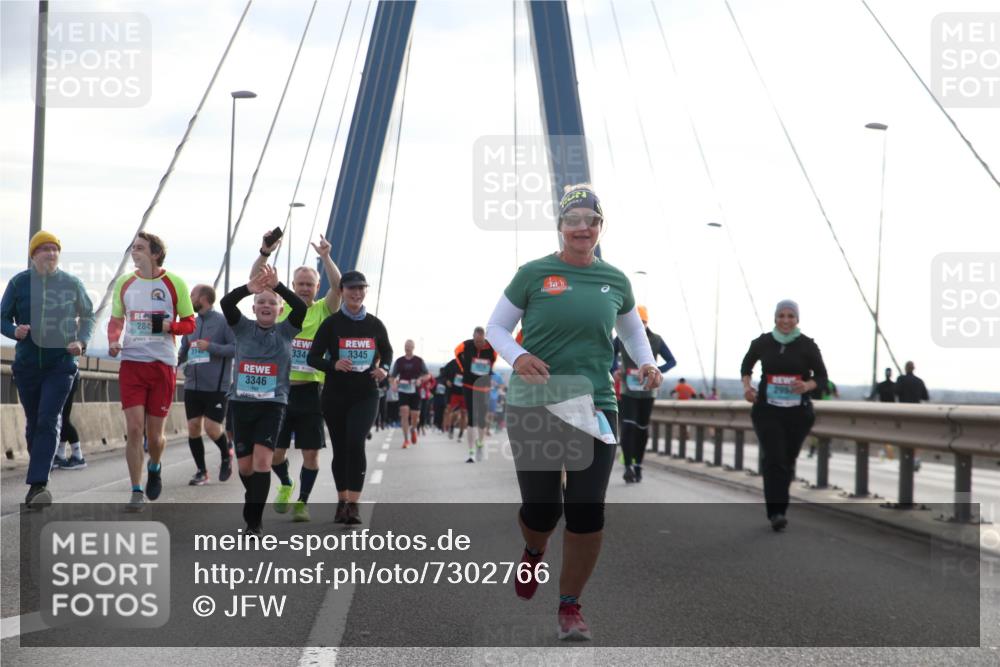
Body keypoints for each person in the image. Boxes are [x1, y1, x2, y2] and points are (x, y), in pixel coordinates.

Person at [486, 183, 660, 641]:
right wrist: (519, 357)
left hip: (595, 404)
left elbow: (632, 332)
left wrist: (647, 363)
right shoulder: (533, 274)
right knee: (543, 511)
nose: (582, 227)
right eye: (573, 220)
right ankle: (533, 549)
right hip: (535, 404)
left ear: (601, 227)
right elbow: (497, 327)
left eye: (591, 220)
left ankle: (570, 605)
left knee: (587, 510)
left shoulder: (615, 280)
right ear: (561, 226)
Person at [250, 233, 341, 522]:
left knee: (311, 454)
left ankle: (303, 501)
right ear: (292, 285)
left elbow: (339, 287)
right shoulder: (281, 307)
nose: (304, 288)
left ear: (317, 287)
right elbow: (255, 282)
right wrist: (265, 252)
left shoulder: (323, 309)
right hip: (280, 391)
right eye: (300, 284)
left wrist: (326, 257)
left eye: (309, 284)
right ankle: (287, 483)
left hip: (311, 391)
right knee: (275, 455)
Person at [1, 231, 95, 507]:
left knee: (47, 419)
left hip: (61, 365)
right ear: (34, 255)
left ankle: (38, 484)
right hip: (27, 365)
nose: (51, 253)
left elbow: (88, 316)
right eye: (45, 249)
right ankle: (40, 470)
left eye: (55, 249)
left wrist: (82, 341)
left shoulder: (71, 284)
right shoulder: (19, 283)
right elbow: (1, 318)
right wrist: (14, 331)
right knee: (34, 424)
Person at [108, 232, 195, 511]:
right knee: (135, 429)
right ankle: (136, 491)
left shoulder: (175, 283)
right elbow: (116, 320)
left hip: (162, 365)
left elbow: (190, 323)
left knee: (155, 437)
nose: (134, 252)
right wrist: (113, 340)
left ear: (155, 254)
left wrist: (171, 327)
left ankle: (155, 466)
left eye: (140, 248)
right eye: (133, 247)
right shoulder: (125, 282)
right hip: (132, 363)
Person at [221, 264, 306, 536]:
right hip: (241, 405)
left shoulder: (287, 330)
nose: (266, 305)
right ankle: (255, 498)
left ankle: (253, 523)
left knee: (262, 463)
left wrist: (278, 286)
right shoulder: (242, 328)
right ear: (254, 307)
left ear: (280, 310)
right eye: (261, 302)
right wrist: (249, 288)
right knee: (246, 467)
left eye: (272, 302)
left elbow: (300, 307)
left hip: (272, 405)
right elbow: (226, 303)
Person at [307, 271, 392, 525]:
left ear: (366, 291)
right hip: (335, 395)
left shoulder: (375, 325)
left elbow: (387, 352)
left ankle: (353, 505)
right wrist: (333, 364)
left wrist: (384, 369)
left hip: (365, 394)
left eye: (361, 288)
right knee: (341, 448)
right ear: (341, 291)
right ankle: (342, 501)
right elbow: (313, 357)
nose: (356, 293)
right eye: (351, 288)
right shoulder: (331, 324)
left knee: (355, 442)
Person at [741, 299, 828, 532]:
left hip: (798, 413)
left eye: (790, 316)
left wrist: (807, 385)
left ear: (797, 319)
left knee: (787, 461)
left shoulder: (807, 345)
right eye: (781, 316)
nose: (786, 320)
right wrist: (747, 388)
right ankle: (776, 513)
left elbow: (822, 377)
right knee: (774, 458)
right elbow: (746, 367)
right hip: (767, 411)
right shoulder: (763, 342)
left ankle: (780, 508)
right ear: (775, 318)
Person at [178, 284, 236, 486]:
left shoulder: (223, 322)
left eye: (192, 294)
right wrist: (175, 363)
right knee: (193, 427)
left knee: (211, 428)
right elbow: (184, 349)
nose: (189, 297)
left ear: (203, 298)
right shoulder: (191, 323)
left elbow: (235, 348)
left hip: (216, 387)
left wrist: (210, 347)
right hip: (192, 385)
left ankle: (226, 454)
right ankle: (201, 472)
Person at [612, 305, 676, 483]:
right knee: (628, 426)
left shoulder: (656, 340)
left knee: (641, 429)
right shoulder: (622, 337)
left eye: (644, 322)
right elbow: (609, 354)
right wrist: (615, 369)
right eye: (638, 321)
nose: (641, 324)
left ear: (648, 322)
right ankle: (628, 466)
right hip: (628, 390)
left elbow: (672, 361)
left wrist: (656, 370)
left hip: (648, 392)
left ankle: (638, 465)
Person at [455, 327, 498, 462]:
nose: (478, 344)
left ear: (484, 338)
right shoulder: (466, 345)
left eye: (481, 341)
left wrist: (487, 372)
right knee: (472, 418)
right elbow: (456, 352)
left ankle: (480, 442)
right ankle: (471, 452)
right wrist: (463, 368)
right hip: (469, 386)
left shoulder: (491, 348)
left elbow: (493, 360)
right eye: (476, 341)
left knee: (481, 419)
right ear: (473, 337)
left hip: (483, 388)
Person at [390, 340, 430, 448]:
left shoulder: (419, 361)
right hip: (403, 390)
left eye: (409, 346)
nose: (407, 348)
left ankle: (413, 429)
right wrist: (393, 384)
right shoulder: (399, 361)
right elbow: (392, 377)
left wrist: (420, 379)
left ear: (413, 347)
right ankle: (406, 440)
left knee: (415, 416)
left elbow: (427, 375)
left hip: (415, 390)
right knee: (404, 413)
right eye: (406, 346)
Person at [54, 373, 86, 470]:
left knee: (64, 419)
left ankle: (78, 456)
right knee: (62, 419)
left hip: (68, 377)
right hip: (63, 377)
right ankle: (60, 454)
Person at [442, 358, 466, 440]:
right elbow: (444, 373)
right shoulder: (453, 362)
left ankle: (461, 434)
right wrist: (447, 381)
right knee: (454, 413)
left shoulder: (471, 362)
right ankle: (451, 427)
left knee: (464, 414)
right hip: (454, 392)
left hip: (466, 393)